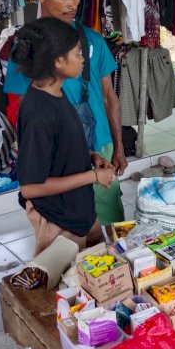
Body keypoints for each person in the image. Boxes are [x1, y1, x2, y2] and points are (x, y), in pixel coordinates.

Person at [3, 0, 125, 226]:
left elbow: (108, 97)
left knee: (111, 221)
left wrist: (119, 146)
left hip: (99, 142)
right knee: (65, 223)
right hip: (58, 152)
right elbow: (23, 110)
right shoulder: (26, 47)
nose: (74, 3)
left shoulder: (93, 40)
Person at [12, 18, 115, 256]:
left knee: (98, 279)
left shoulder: (56, 92)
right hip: (58, 221)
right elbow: (30, 188)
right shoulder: (39, 113)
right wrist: (93, 176)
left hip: (80, 211)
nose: (82, 59)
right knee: (65, 289)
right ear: (58, 61)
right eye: (78, 53)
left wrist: (92, 156)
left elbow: (60, 146)